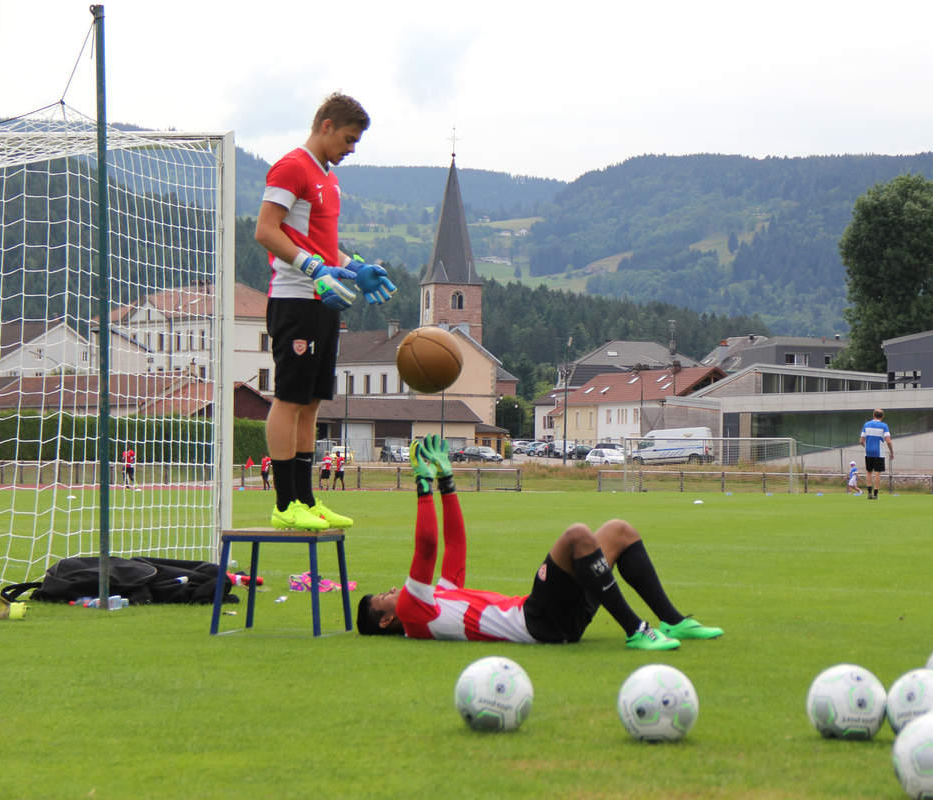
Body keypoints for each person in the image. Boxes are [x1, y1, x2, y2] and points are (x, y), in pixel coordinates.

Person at [357, 434, 723, 650]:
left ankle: (673, 621)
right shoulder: (412, 611)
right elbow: (427, 548)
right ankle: (636, 631)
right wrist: (422, 486)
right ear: (388, 619)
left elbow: (455, 546)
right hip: (536, 623)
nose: (392, 589)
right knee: (577, 536)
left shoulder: (436, 601)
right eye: (383, 596)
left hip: (553, 617)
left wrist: (447, 480)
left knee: (618, 530)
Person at [254, 92, 396, 531]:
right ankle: (283, 505)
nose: (352, 150)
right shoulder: (291, 167)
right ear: (327, 125)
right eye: (350, 139)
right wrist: (311, 267)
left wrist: (352, 267)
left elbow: (321, 244)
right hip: (295, 298)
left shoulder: (328, 179)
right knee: (289, 399)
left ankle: (306, 499)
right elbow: (265, 230)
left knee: (312, 403)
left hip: (324, 300)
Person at [859, 408, 893, 499]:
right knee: (877, 472)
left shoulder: (866, 425)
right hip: (879, 452)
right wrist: (891, 452)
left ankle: (869, 493)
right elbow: (888, 441)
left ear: (873, 415)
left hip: (868, 451)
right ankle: (875, 494)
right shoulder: (884, 426)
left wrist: (866, 447)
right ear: (882, 417)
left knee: (869, 472)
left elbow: (861, 441)